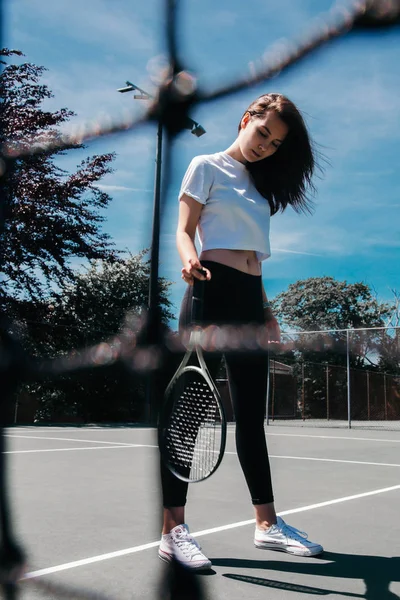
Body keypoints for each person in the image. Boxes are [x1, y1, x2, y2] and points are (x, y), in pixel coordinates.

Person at [158, 93, 323, 570]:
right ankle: (172, 531)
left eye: (275, 144)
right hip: (210, 291)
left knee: (252, 418)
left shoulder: (259, 185)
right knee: (187, 416)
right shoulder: (205, 165)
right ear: (245, 118)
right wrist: (189, 260)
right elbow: (185, 229)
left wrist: (266, 309)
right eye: (262, 134)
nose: (265, 146)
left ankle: (267, 525)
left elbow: (253, 253)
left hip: (251, 301)